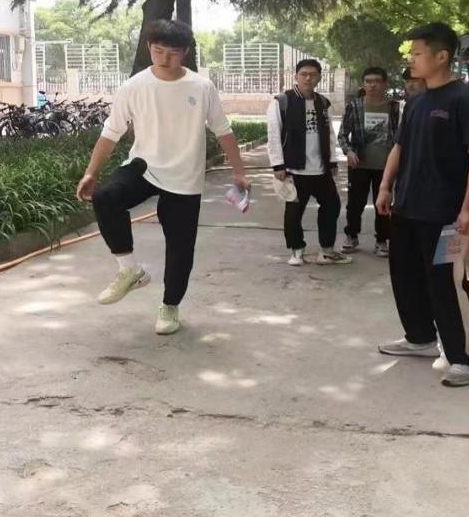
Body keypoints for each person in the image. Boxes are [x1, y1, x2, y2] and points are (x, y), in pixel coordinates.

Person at [77, 19, 248, 335]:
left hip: (185, 176)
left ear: (185, 52)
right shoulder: (134, 86)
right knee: (106, 197)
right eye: (158, 51)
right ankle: (130, 271)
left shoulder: (201, 87)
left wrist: (239, 172)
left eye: (173, 52)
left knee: (180, 247)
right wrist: (91, 172)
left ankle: (170, 306)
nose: (165, 58)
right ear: (148, 48)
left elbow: (223, 131)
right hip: (145, 165)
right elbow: (111, 132)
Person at [376, 23, 469, 387]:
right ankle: (420, 338)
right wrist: (385, 187)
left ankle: (465, 358)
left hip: (445, 213)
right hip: (407, 207)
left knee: (447, 284)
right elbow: (399, 147)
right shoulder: (416, 100)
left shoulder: (464, 102)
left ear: (442, 56)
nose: (411, 60)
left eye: (417, 53)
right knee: (406, 276)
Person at [268, 58, 352, 266]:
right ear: (296, 76)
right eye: (304, 74)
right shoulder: (282, 101)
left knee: (332, 206)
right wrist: (278, 165)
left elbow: (329, 135)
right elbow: (274, 134)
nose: (308, 78)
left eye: (313, 75)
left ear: (319, 78)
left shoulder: (323, 103)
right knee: (294, 213)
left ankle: (327, 250)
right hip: (294, 170)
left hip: (320, 169)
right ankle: (297, 250)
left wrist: (332, 161)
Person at [338, 66, 400, 256]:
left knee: (384, 204)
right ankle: (351, 236)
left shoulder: (394, 107)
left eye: (377, 81)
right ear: (363, 84)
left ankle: (382, 240)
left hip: (385, 167)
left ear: (385, 84)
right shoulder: (355, 106)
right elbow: (342, 134)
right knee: (355, 204)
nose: (372, 85)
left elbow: (400, 137)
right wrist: (348, 151)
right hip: (359, 165)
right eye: (368, 81)